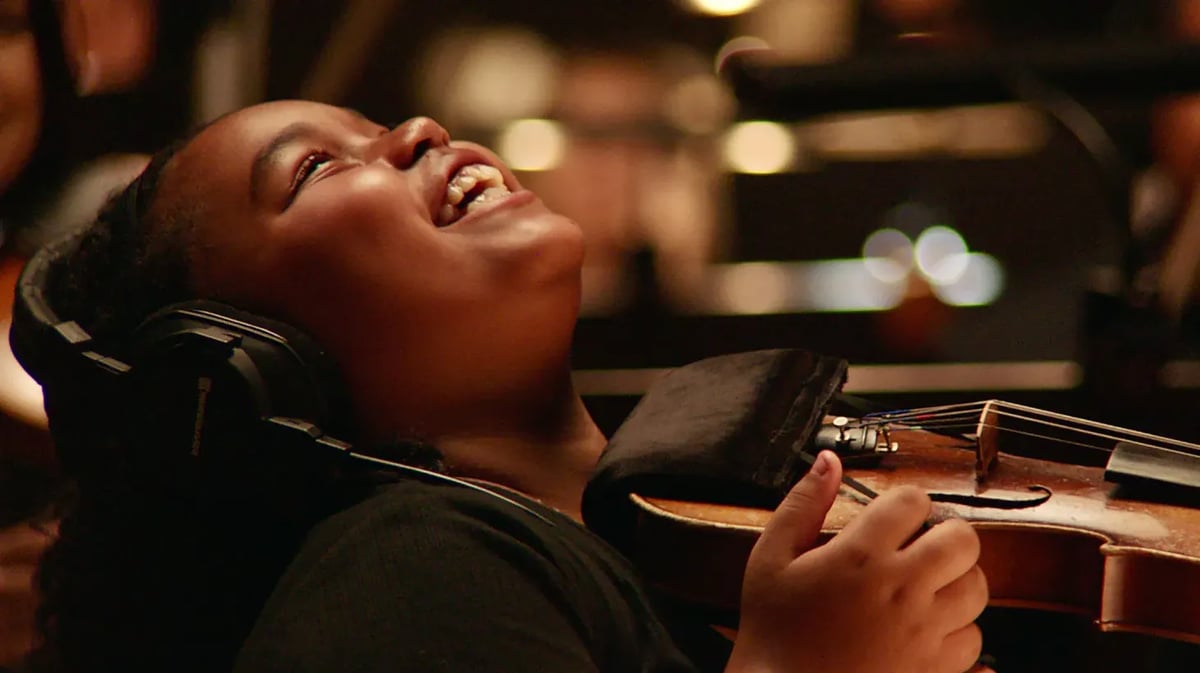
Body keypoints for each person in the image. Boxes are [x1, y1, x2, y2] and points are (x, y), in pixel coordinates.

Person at [22, 101, 989, 673]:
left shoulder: (630, 546)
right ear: (251, 371)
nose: (414, 128)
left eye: (374, 121)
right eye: (316, 168)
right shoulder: (408, 573)